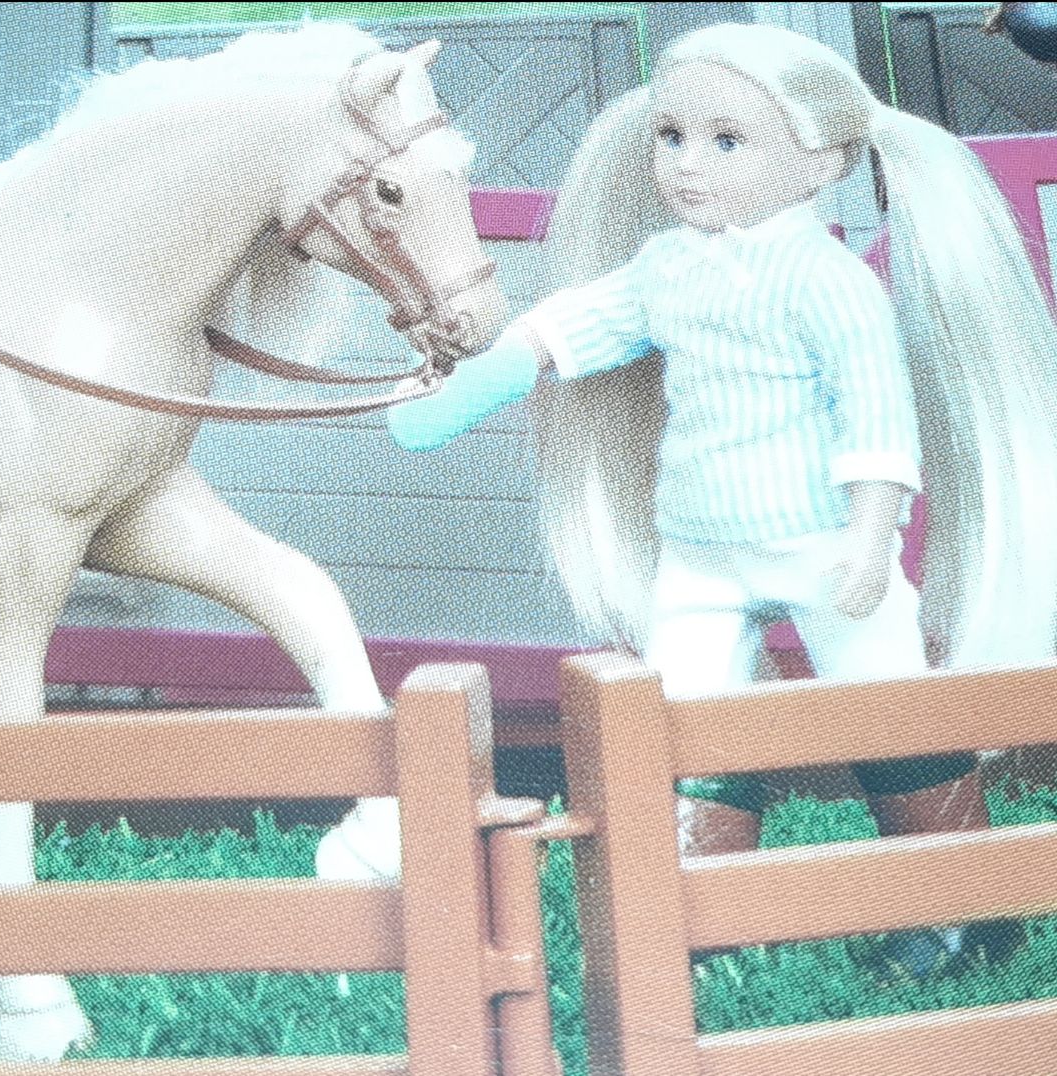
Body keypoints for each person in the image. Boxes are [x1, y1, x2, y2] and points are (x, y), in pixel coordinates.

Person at [336, 20, 1057, 972]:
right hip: (701, 553)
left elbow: (878, 417)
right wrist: (470, 387)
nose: (687, 164)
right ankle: (704, 919)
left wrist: (871, 537)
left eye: (726, 141)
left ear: (820, 162)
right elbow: (578, 326)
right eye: (672, 137)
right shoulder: (667, 267)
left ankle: (964, 909)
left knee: (889, 712)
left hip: (822, 545)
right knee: (685, 722)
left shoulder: (828, 281)